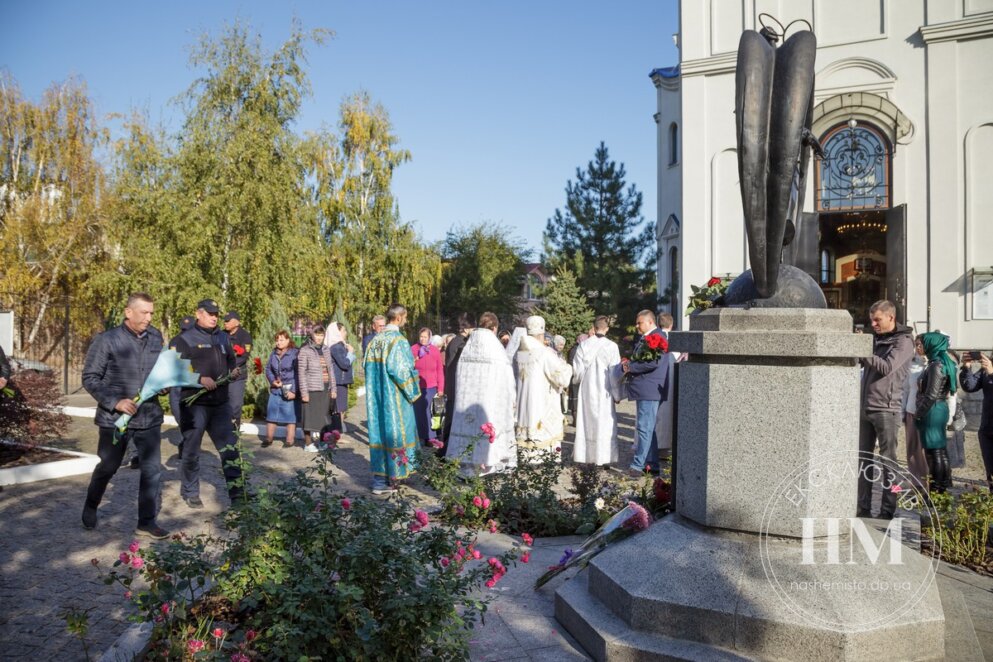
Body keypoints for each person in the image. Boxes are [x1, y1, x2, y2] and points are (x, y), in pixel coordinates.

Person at [80, 292, 170, 538]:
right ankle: (91, 504)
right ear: (128, 312)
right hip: (115, 419)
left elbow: (160, 371)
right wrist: (115, 402)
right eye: (144, 312)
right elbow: (89, 378)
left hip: (149, 416)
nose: (149, 318)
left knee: (152, 470)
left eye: (151, 313)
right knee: (109, 466)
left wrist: (165, 385)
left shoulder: (155, 337)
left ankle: (146, 522)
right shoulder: (107, 340)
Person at [171, 299, 245, 509]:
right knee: (192, 451)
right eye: (210, 313)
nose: (214, 317)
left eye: (216, 314)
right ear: (198, 314)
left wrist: (231, 374)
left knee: (230, 449)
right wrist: (198, 379)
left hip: (220, 404)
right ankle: (191, 491)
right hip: (195, 405)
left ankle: (238, 494)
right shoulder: (184, 339)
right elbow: (175, 371)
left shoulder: (222, 336)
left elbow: (231, 360)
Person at [857, 300, 914, 519]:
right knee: (863, 459)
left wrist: (863, 350)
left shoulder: (904, 342)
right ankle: (863, 507)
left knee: (888, 461)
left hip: (886, 409)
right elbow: (864, 364)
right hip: (865, 407)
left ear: (891, 317)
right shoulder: (878, 339)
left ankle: (888, 509)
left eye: (877, 319)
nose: (873, 324)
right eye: (871, 319)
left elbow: (887, 368)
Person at [446, 312, 517, 475]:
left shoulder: (469, 345)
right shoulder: (496, 347)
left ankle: (466, 467)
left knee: (469, 431)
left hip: (467, 400)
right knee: (488, 432)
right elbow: (507, 376)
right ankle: (489, 465)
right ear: (494, 328)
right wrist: (512, 397)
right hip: (489, 401)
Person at [364, 304, 421, 494]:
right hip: (395, 399)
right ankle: (393, 479)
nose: (406, 320)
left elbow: (366, 367)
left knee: (379, 433)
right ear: (398, 317)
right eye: (405, 317)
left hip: (376, 399)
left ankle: (379, 480)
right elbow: (401, 371)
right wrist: (413, 390)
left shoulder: (375, 341)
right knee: (396, 433)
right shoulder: (398, 341)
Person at [514, 315, 573, 461]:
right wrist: (569, 367)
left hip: (524, 404)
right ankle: (542, 460)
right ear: (542, 333)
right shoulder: (543, 352)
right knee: (543, 434)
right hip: (541, 402)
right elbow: (561, 377)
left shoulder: (519, 352)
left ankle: (526, 457)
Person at [623, 310, 669, 476]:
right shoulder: (648, 337)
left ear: (650, 322)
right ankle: (652, 464)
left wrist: (631, 367)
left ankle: (638, 465)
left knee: (644, 428)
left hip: (649, 389)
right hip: (646, 388)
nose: (636, 326)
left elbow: (653, 363)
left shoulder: (657, 337)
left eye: (639, 323)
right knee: (649, 429)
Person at [571, 316, 621, 466]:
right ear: (607, 328)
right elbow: (615, 374)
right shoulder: (612, 346)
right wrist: (617, 394)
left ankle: (587, 456)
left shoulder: (584, 345)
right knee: (604, 423)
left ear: (593, 327)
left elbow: (577, 372)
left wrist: (578, 381)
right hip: (605, 390)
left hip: (587, 388)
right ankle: (604, 458)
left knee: (587, 421)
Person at [914, 332, 956, 494]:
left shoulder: (936, 365)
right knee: (939, 451)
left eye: (922, 343)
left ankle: (937, 491)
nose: (920, 347)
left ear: (931, 345)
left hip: (933, 410)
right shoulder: (939, 362)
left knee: (934, 453)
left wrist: (919, 413)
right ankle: (941, 489)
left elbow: (931, 394)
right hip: (937, 408)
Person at [297, 325, 336, 452]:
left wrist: (333, 389)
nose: (319, 338)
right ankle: (308, 444)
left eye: (321, 335)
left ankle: (322, 442)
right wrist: (304, 392)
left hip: (325, 387)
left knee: (323, 416)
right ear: (312, 335)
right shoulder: (305, 350)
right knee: (309, 416)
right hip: (311, 388)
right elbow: (301, 372)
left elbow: (331, 370)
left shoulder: (326, 349)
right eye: (317, 335)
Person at [441, 313, 474, 454]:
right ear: (467, 328)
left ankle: (447, 449)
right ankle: (446, 450)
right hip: (456, 386)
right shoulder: (460, 344)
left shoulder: (457, 341)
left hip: (453, 386)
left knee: (451, 418)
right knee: (452, 420)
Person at [165, 315, 196, 465]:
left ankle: (188, 448)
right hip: (177, 385)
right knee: (180, 417)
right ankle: (186, 443)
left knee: (192, 419)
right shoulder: (174, 341)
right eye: (184, 330)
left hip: (193, 384)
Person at [961, 350, 993, 492]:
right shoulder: (988, 367)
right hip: (987, 426)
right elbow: (970, 386)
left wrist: (992, 374)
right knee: (990, 468)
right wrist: (966, 367)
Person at [263, 330, 299, 448]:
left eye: (281, 340)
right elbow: (268, 369)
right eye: (277, 340)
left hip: (289, 387)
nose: (278, 342)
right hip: (276, 388)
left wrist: (293, 391)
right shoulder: (274, 353)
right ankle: (268, 439)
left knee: (290, 416)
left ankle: (289, 440)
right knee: (271, 414)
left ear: (288, 340)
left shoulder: (295, 353)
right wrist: (273, 380)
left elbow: (298, 373)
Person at [901, 336, 929, 491]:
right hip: (911, 410)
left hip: (927, 413)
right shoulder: (910, 366)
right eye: (916, 345)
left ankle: (929, 483)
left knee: (926, 450)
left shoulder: (933, 364)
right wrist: (902, 412)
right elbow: (905, 390)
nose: (919, 348)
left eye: (921, 345)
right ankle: (916, 482)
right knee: (912, 449)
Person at [411, 327, 444, 447]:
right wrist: (415, 359)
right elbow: (409, 366)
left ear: (429, 337)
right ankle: (419, 436)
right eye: (421, 336)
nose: (423, 339)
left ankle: (431, 437)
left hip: (431, 386)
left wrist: (440, 388)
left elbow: (439, 369)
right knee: (419, 412)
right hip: (418, 386)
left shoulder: (434, 350)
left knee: (431, 413)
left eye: (425, 337)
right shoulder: (413, 349)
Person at [654, 312, 680, 460]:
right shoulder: (677, 340)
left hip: (657, 384)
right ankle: (667, 447)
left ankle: (656, 447)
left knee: (658, 415)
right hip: (672, 384)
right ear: (671, 325)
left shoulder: (654, 338)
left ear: (658, 324)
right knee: (669, 416)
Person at [223, 310, 253, 430]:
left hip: (237, 375)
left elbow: (244, 356)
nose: (225, 323)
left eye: (227, 321)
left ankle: (236, 428)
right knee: (223, 404)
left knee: (235, 404)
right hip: (222, 375)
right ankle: (224, 428)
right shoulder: (221, 334)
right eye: (224, 321)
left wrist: (229, 366)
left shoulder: (244, 336)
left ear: (236, 322)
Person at [326, 322, 355, 434]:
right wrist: (351, 353)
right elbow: (344, 363)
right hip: (338, 381)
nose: (346, 333)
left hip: (340, 380)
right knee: (339, 408)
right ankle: (336, 435)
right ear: (337, 332)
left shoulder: (339, 345)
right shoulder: (336, 346)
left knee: (340, 408)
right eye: (343, 330)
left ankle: (337, 433)